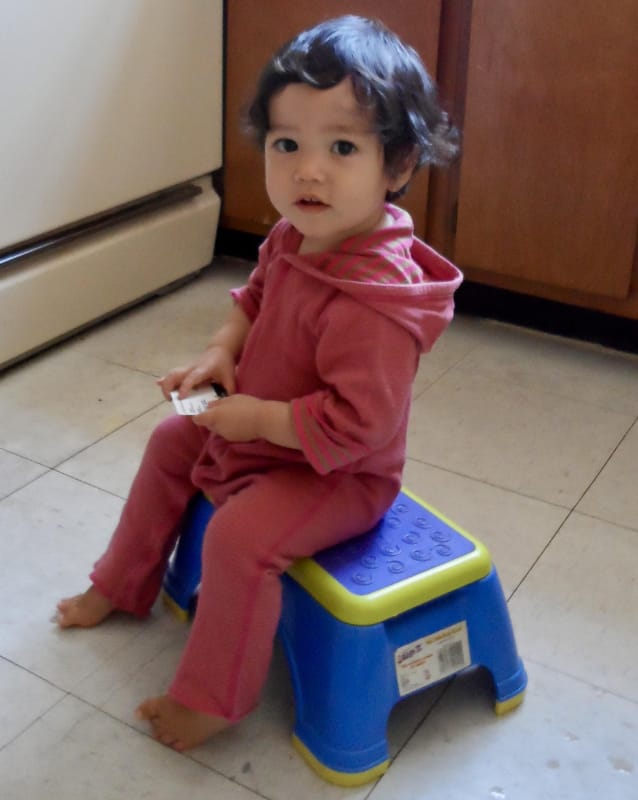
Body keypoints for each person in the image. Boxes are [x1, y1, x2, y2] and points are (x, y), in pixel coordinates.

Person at [56, 15, 463, 751]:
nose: (308, 170)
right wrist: (220, 354)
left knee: (241, 537)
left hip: (341, 474)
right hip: (268, 436)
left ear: (397, 163)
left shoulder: (375, 300)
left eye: (342, 147)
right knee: (170, 438)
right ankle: (121, 583)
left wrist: (259, 422)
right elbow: (253, 303)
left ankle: (215, 698)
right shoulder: (293, 235)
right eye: (288, 144)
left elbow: (358, 427)